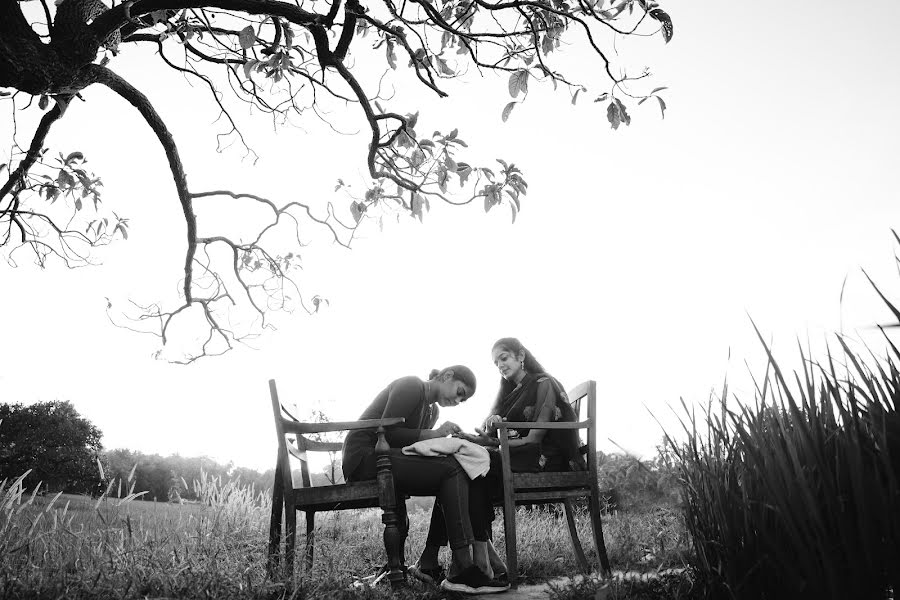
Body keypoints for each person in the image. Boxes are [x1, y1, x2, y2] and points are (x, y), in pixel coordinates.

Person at [413, 338, 585, 584]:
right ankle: (482, 560)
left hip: (544, 458)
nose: (500, 366)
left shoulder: (543, 383)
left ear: (521, 355)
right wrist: (476, 439)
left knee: (462, 466)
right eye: (496, 363)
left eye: (504, 358)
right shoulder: (510, 393)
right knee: (459, 469)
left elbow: (534, 438)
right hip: (516, 455)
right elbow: (498, 439)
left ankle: (473, 560)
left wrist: (489, 444)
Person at [342, 366, 509, 595]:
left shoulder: (432, 412)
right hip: (366, 457)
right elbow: (388, 433)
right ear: (447, 375)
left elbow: (417, 448)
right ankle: (464, 567)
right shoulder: (412, 385)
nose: (458, 400)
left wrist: (447, 442)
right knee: (453, 469)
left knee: (454, 468)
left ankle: (430, 562)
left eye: (463, 400)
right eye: (460, 391)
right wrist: (436, 435)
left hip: (389, 460)